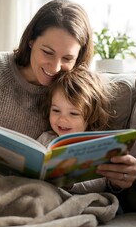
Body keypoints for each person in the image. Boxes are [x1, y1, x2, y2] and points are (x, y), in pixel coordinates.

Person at [0, 0, 136, 192]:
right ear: (31, 41)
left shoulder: (75, 93)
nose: (55, 67)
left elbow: (93, 163)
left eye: (67, 58)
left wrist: (117, 177)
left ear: (79, 57)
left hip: (12, 187)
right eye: (47, 52)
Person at [36, 65, 125, 193]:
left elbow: (99, 183)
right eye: (56, 110)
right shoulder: (46, 138)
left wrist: (69, 183)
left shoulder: (95, 146)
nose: (62, 120)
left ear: (92, 115)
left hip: (69, 197)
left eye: (73, 114)